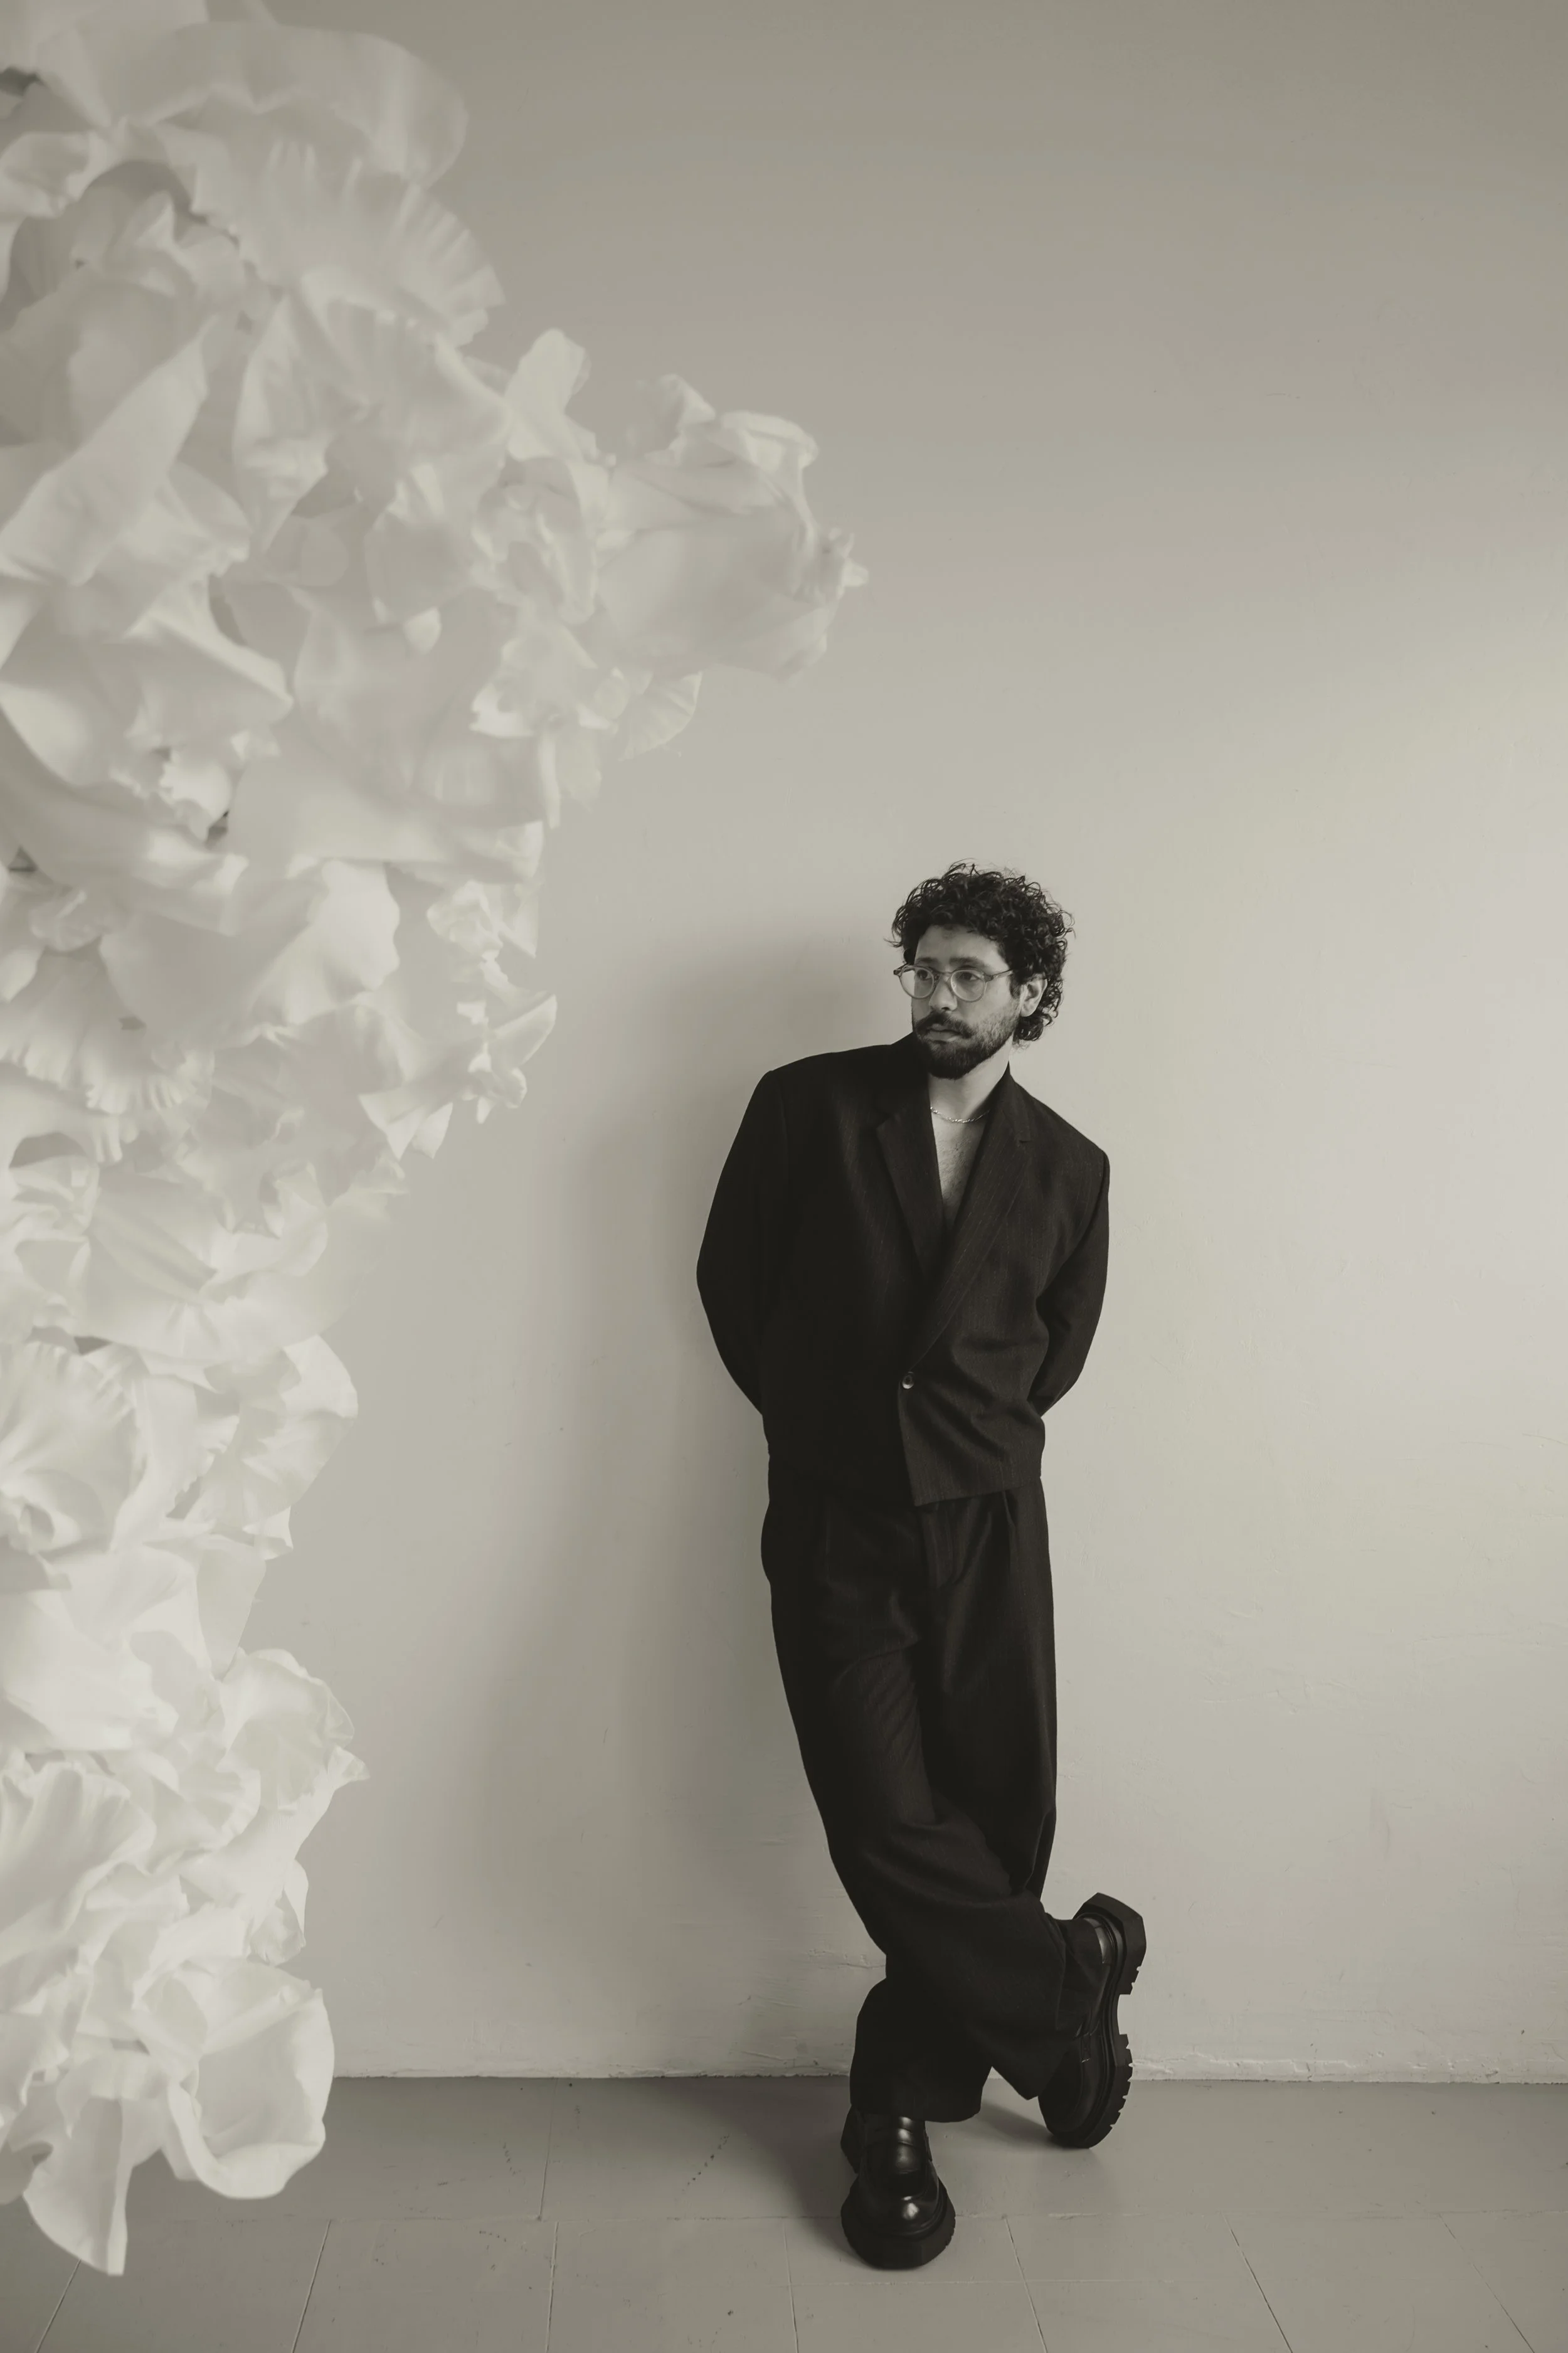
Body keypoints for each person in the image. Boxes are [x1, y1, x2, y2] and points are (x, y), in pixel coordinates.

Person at [696, 861, 1146, 2270]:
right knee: (882, 1815)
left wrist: (960, 1443)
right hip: (838, 1514)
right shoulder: (806, 1107)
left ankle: (894, 2101)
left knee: (995, 1816)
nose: (937, 996)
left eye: (968, 975)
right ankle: (1070, 1979)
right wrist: (826, 1428)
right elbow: (733, 1286)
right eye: (922, 969)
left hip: (987, 1516)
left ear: (1029, 994)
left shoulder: (1071, 1169)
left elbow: (1051, 1353)